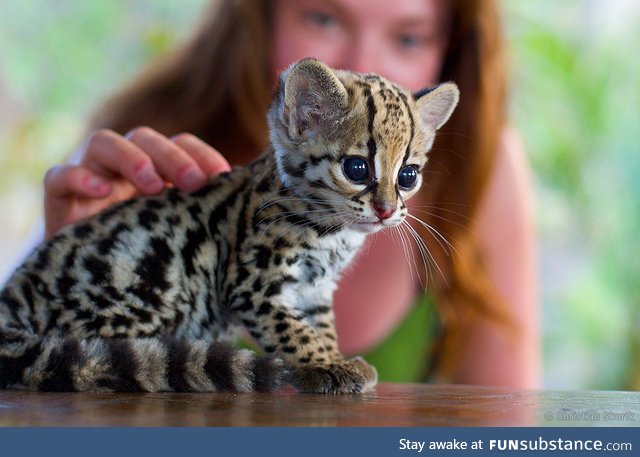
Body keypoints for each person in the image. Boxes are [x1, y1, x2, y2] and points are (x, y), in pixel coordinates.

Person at [41, 0, 539, 387]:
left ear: (449, 46)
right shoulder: (144, 148)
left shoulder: (480, 170)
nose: (362, 65)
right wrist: (80, 264)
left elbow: (505, 431)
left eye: (408, 37)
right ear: (260, 12)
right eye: (323, 17)